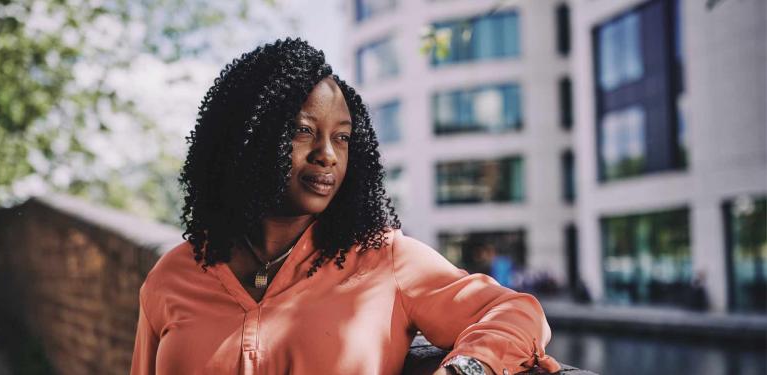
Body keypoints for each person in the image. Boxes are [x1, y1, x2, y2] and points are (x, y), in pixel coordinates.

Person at [130, 38, 560, 375]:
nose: (328, 155)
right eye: (302, 130)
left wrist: (467, 369)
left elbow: (515, 311)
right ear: (246, 140)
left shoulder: (383, 258)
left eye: (342, 137)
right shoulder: (174, 276)